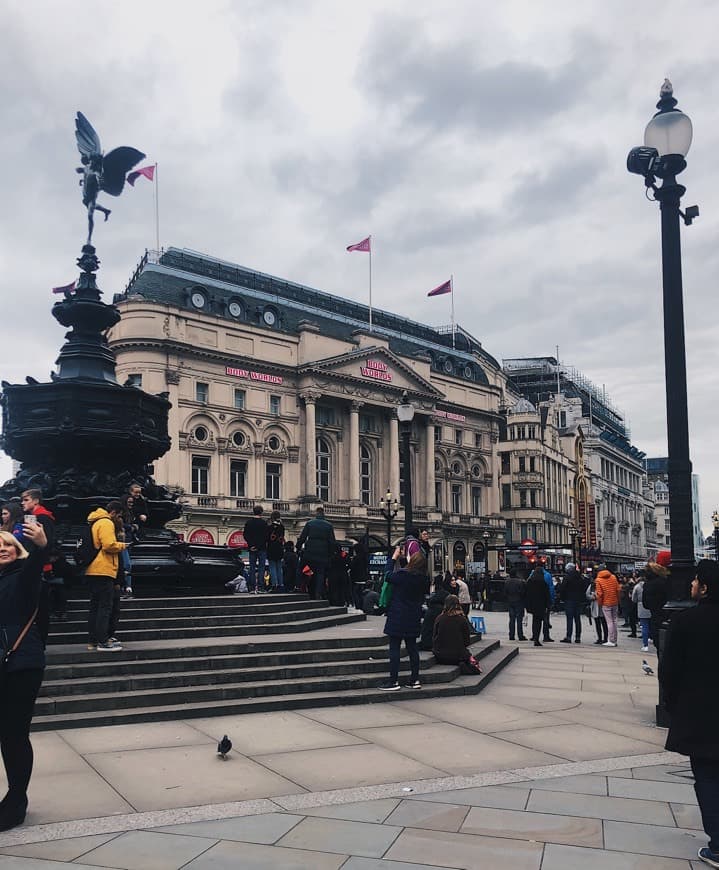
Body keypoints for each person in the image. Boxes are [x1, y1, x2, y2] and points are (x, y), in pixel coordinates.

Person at [659, 560, 719, 869]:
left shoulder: (686, 621)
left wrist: (671, 704)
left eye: (695, 581)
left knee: (708, 777)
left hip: (700, 713)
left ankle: (718, 846)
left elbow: (669, 672)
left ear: (705, 587)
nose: (691, 585)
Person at [0, 519, 49, 832]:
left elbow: (34, 570)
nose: (2, 550)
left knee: (14, 734)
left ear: (17, 550)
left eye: (7, 545)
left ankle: (17, 799)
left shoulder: (23, 576)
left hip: (20, 663)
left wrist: (41, 547)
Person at [378, 548, 428, 690]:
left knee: (394, 648)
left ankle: (393, 681)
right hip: (414, 616)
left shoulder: (402, 576)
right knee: (412, 648)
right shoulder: (423, 579)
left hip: (398, 615)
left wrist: (393, 558)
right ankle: (414, 680)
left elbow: (387, 574)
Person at [85, 501, 128, 651]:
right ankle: (103, 640)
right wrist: (123, 545)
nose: (119, 518)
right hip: (103, 569)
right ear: (114, 512)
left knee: (95, 607)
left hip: (93, 569)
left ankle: (93, 640)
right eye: (119, 515)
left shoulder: (95, 522)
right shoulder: (106, 522)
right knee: (105, 607)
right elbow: (109, 545)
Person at [297, 506, 336, 600]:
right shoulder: (329, 525)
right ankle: (318, 593)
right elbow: (332, 541)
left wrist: (298, 547)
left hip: (310, 552)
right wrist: (331, 554)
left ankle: (304, 588)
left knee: (306, 570)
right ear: (323, 514)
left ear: (316, 514)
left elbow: (303, 537)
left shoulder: (310, 523)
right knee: (320, 573)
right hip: (323, 553)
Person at [432, 594, 475, 668]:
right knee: (467, 654)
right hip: (457, 656)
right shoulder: (462, 619)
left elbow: (434, 636)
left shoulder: (439, 618)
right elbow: (467, 641)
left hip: (440, 655)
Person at [643, 552, 670, 651]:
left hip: (655, 620)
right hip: (670, 620)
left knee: (660, 652)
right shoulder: (668, 581)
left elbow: (646, 604)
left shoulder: (648, 583)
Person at [560, 562, 588, 644]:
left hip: (569, 600)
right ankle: (578, 637)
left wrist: (562, 598)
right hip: (578, 600)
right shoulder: (580, 577)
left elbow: (563, 588)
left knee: (569, 619)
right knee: (577, 619)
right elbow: (584, 588)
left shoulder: (567, 577)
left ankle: (568, 637)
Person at [243, 505, 269, 593]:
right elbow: (266, 536)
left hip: (251, 549)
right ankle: (261, 587)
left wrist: (251, 545)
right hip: (261, 548)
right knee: (262, 568)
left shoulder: (248, 523)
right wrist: (258, 546)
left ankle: (252, 588)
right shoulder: (264, 523)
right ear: (261, 512)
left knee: (252, 568)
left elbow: (245, 535)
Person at [595, 563, 621, 646]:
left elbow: (600, 594)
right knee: (614, 621)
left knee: (609, 622)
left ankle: (611, 640)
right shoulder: (613, 577)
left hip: (606, 603)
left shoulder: (598, 580)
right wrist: (618, 600)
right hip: (615, 602)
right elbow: (618, 589)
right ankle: (615, 640)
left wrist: (600, 603)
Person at [525, 565, 551, 647]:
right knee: (539, 621)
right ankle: (537, 638)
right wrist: (548, 605)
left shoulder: (529, 582)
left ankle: (534, 636)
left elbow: (526, 593)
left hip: (532, 605)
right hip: (541, 605)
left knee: (534, 620)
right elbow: (547, 595)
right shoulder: (543, 583)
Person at [266, 510, 285, 592]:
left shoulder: (269, 527)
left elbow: (267, 539)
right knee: (279, 568)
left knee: (272, 567)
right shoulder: (282, 527)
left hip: (271, 549)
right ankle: (281, 584)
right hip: (280, 549)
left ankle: (274, 585)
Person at [632, 573, 652, 652]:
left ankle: (645, 644)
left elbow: (634, 599)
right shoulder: (650, 585)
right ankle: (651, 638)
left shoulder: (637, 587)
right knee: (651, 624)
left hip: (641, 606)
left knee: (644, 626)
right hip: (651, 606)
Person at [504, 572, 527, 641]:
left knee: (511, 619)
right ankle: (520, 635)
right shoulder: (520, 582)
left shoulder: (507, 582)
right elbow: (523, 592)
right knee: (519, 619)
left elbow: (505, 592)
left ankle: (511, 635)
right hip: (519, 601)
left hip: (510, 602)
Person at [587, 577, 608, 644]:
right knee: (598, 623)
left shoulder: (603, 585)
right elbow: (587, 594)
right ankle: (599, 638)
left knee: (604, 623)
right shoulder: (592, 586)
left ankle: (605, 638)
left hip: (602, 605)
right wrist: (592, 597)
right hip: (595, 605)